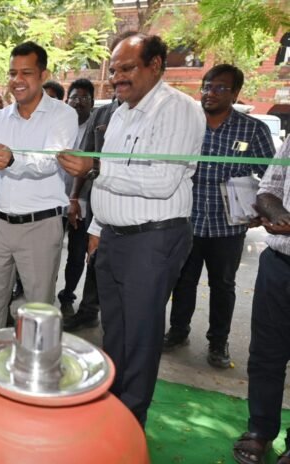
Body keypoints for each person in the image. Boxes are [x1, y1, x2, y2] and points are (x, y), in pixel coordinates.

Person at [59, 32, 206, 426]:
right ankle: (110, 409)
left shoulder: (178, 109)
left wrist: (95, 166)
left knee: (140, 334)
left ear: (155, 65)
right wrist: (98, 227)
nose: (116, 77)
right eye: (114, 70)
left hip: (153, 238)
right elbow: (110, 178)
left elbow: (162, 181)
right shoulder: (121, 111)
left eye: (126, 68)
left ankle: (130, 421)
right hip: (113, 237)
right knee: (115, 331)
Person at [164, 64, 276, 368]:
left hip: (228, 226)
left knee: (223, 285)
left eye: (220, 88)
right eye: (207, 86)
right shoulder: (188, 124)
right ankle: (178, 332)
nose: (210, 93)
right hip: (186, 219)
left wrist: (261, 207)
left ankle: (218, 342)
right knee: (183, 281)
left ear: (235, 93)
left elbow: (270, 176)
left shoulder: (252, 130)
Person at [0, 41, 78, 332]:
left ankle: (36, 359)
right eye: (12, 73)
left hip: (39, 227)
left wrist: (11, 160)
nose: (17, 80)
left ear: (43, 75)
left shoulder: (63, 115)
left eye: (26, 73)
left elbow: (50, 161)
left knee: (38, 311)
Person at [231, 138, 290, 464]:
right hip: (279, 264)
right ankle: (260, 430)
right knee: (266, 353)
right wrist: (279, 216)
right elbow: (268, 189)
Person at [63, 96, 121, 332]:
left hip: (136, 207)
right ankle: (88, 310)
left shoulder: (155, 112)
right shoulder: (101, 114)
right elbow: (84, 160)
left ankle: (114, 319)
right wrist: (74, 197)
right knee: (93, 256)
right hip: (98, 200)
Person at [57, 78, 95, 316]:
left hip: (82, 203)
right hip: (53, 200)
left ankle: (68, 295)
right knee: (49, 251)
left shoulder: (95, 127)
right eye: (74, 97)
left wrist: (75, 199)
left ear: (92, 102)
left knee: (77, 254)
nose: (78, 102)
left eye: (84, 98)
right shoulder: (59, 125)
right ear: (66, 101)